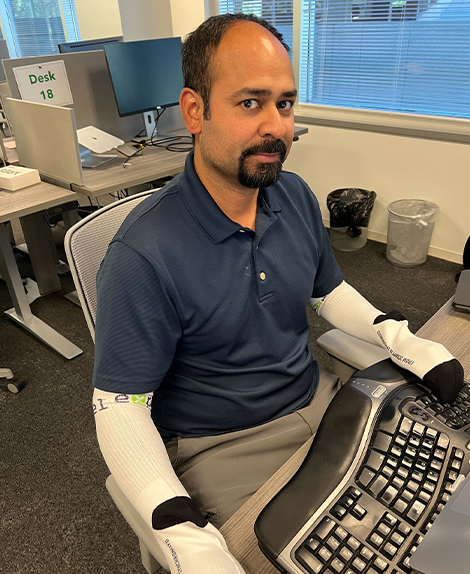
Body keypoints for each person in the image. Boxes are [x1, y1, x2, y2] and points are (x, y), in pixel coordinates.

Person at [92, 13, 464, 574]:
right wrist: (176, 527)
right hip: (223, 448)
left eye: (285, 104)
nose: (276, 127)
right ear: (196, 111)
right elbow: (120, 408)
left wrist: (398, 337)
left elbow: (327, 292)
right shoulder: (143, 254)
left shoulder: (291, 194)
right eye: (250, 103)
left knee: (445, 513)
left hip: (324, 398)